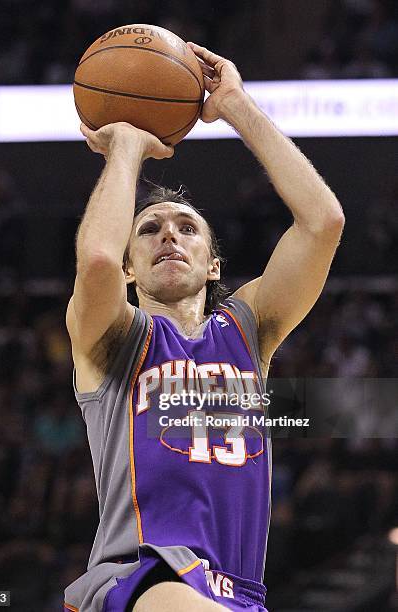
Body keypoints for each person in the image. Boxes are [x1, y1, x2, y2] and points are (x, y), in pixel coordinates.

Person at [63, 42, 344, 612]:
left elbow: (323, 222)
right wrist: (126, 147)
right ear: (129, 265)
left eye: (187, 228)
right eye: (148, 230)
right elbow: (94, 261)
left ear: (214, 263)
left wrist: (236, 105)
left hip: (241, 592)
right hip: (143, 577)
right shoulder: (116, 339)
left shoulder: (248, 331)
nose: (168, 235)